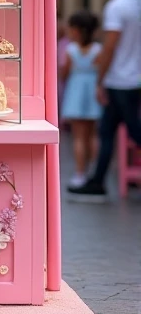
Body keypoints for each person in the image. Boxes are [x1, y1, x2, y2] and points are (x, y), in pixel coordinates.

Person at [71, 0, 141, 200]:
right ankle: (97, 181)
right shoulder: (137, 4)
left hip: (120, 80)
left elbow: (110, 47)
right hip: (134, 78)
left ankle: (97, 181)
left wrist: (100, 80)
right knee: (107, 132)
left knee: (133, 130)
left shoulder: (116, 6)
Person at [60, 10, 101, 191]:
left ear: (77, 30)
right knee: (93, 135)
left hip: (76, 91)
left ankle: (79, 173)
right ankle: (94, 171)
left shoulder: (71, 50)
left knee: (78, 137)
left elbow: (65, 74)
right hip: (92, 92)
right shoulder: (98, 50)